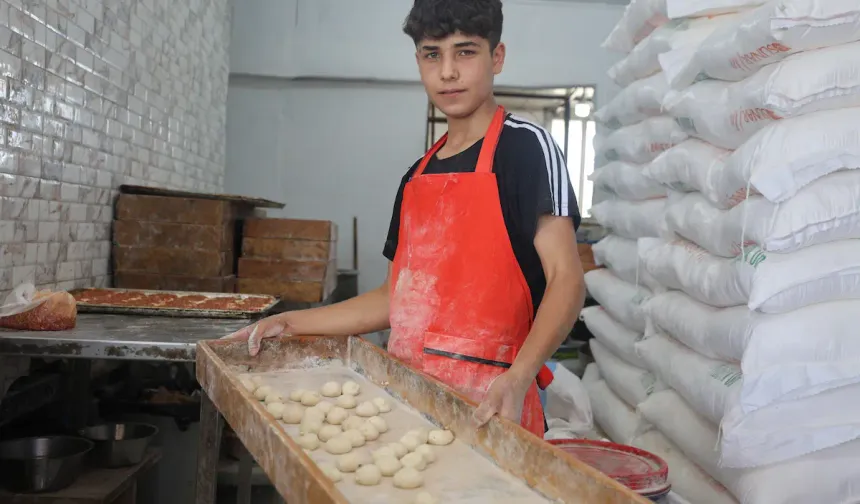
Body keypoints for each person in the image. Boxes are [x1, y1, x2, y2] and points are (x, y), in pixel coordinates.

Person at [225, 0, 586, 437]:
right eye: (432, 54)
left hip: (493, 403)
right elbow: (394, 299)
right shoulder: (416, 178)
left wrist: (520, 375)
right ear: (418, 61)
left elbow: (567, 279)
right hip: (408, 401)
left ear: (498, 57)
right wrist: (291, 323)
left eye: (466, 52)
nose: (448, 71)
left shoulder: (527, 149)